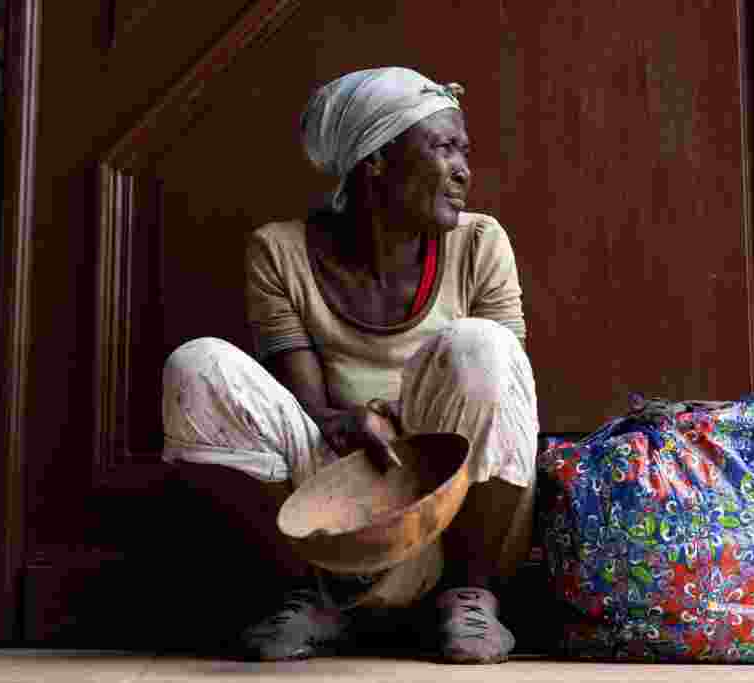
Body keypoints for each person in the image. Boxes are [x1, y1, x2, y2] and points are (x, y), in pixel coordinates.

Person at [160, 67, 539, 664]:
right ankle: (317, 600)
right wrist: (343, 422)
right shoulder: (279, 251)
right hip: (339, 507)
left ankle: (469, 597)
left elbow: (508, 395)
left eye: (464, 150)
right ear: (377, 162)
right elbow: (308, 408)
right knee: (197, 365)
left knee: (484, 346)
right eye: (443, 147)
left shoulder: (480, 244)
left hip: (455, 513)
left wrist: (395, 424)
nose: (463, 170)